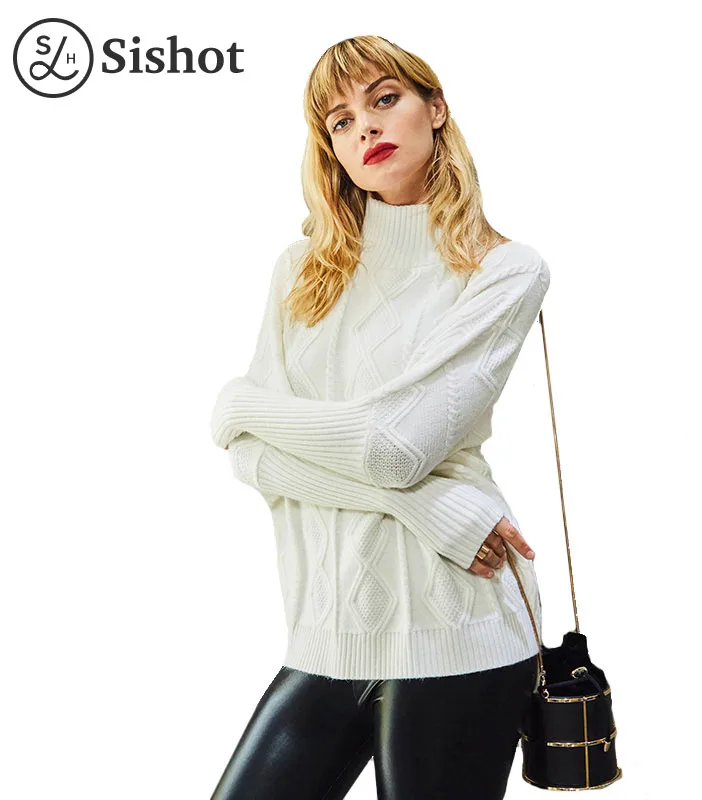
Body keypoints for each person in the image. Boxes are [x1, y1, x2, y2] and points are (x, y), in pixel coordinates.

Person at [208, 34, 551, 800]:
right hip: (328, 633)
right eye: (340, 120)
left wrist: (242, 404)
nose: (364, 125)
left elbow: (394, 449)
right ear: (330, 150)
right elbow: (251, 459)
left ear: (436, 109)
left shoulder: (503, 271)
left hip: (460, 627)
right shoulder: (302, 273)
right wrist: (430, 509)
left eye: (384, 99)